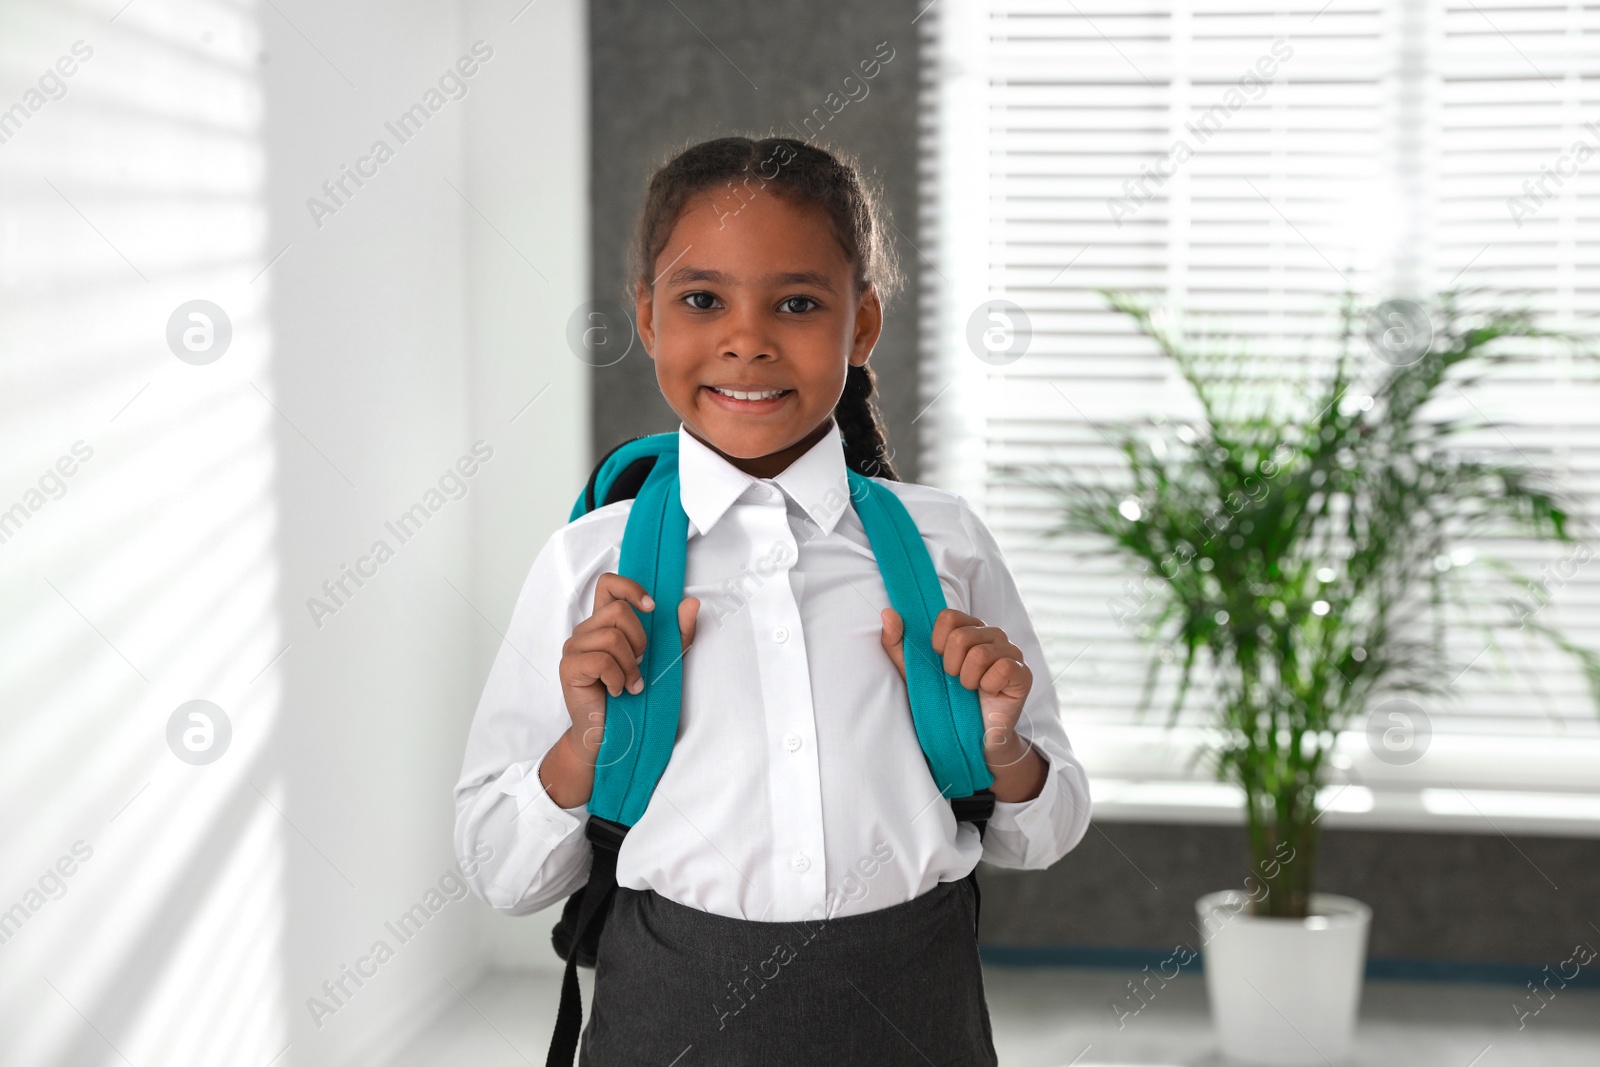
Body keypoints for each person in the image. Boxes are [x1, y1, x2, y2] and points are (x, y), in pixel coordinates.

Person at [454, 135, 1091, 1066]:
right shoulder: (586, 566)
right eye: (702, 300)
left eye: (797, 303)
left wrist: (1005, 750)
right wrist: (583, 745)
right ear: (649, 316)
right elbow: (499, 869)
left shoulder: (943, 543)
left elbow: (1050, 826)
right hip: (667, 1021)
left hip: (919, 1016)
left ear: (861, 323)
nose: (747, 339)